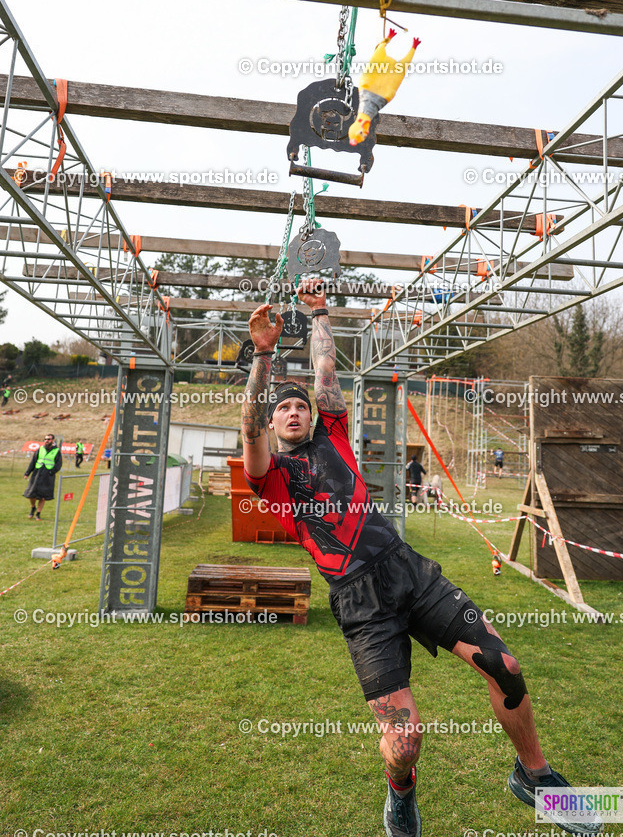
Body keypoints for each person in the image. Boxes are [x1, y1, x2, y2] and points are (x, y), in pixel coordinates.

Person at [240, 279, 601, 837]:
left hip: (407, 570)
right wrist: (262, 355)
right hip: (360, 602)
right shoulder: (272, 479)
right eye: (281, 409)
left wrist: (319, 313)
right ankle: (400, 792)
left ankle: (535, 777)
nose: (293, 412)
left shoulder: (333, 433)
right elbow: (248, 428)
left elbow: (328, 375)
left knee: (505, 666)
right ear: (271, 423)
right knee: (405, 741)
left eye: (298, 406)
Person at [23, 433, 62, 521]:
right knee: (31, 494)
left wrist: (51, 472)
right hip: (37, 473)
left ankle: (38, 514)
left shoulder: (56, 451)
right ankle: (33, 507)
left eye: (48, 439)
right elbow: (33, 462)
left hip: (48, 475)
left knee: (43, 496)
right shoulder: (40, 449)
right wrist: (27, 473)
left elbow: (58, 464)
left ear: (52, 440)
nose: (46, 441)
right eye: (45, 439)